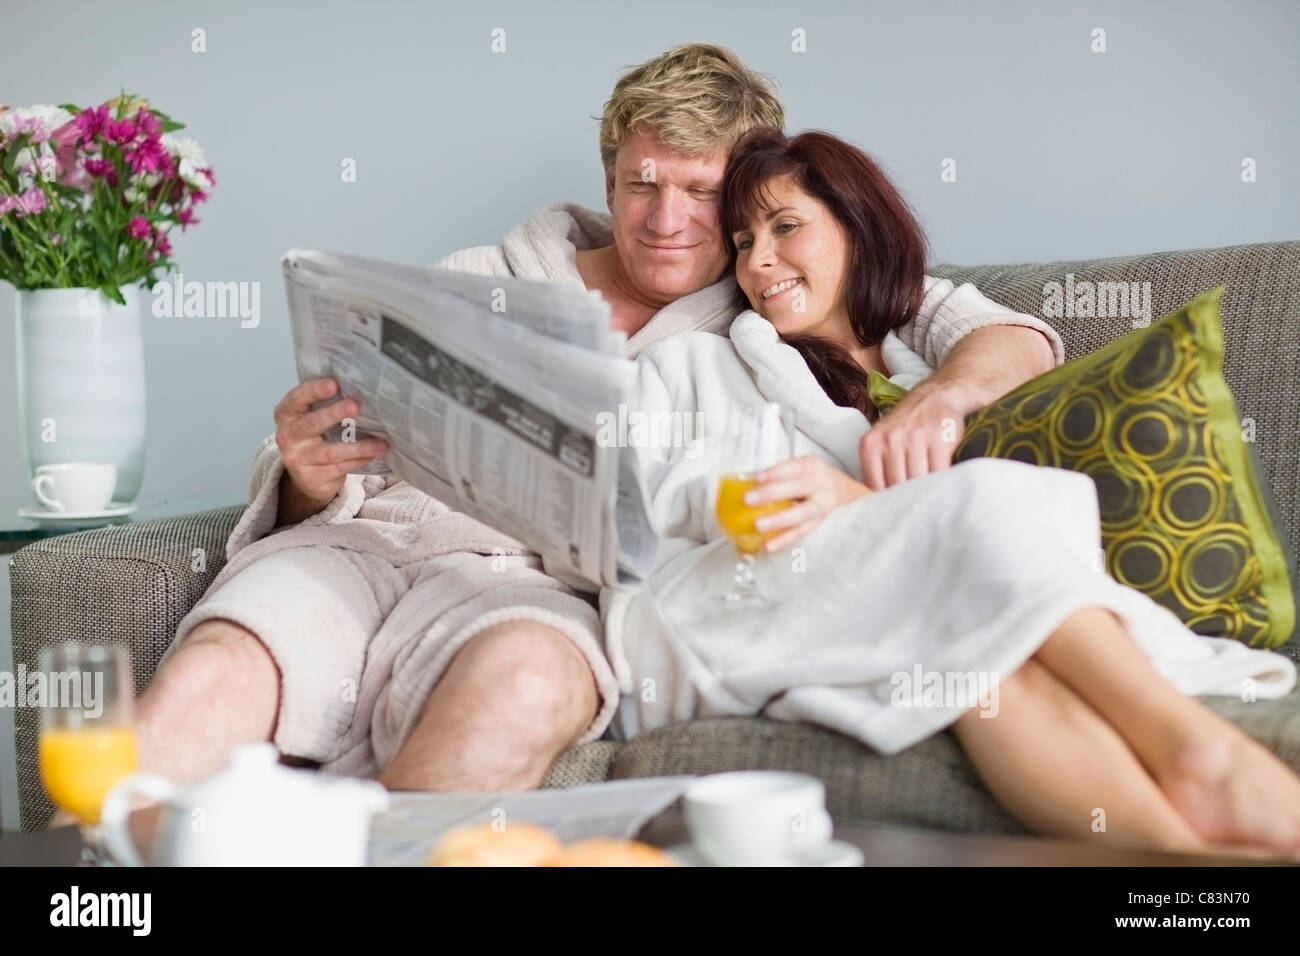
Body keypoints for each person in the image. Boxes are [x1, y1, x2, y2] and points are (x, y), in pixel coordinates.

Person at [131, 44, 1060, 793]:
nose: (666, 218)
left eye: (701, 193)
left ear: (744, 195)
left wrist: (942, 397)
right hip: (360, 549)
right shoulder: (484, 271)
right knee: (213, 680)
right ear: (608, 180)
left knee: (523, 690)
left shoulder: (771, 293)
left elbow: (1001, 333)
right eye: (641, 183)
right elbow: (326, 445)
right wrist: (304, 470)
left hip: (539, 589)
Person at [607, 125, 1300, 857]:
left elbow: (1016, 345)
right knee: (986, 494)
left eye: (785, 227)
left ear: (856, 227)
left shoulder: (925, 352)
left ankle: (1190, 866)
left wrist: (909, 448)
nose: (761, 260)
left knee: (987, 673)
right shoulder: (690, 359)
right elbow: (645, 505)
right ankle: (1199, 751)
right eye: (744, 241)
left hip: (879, 611)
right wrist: (843, 507)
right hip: (712, 607)